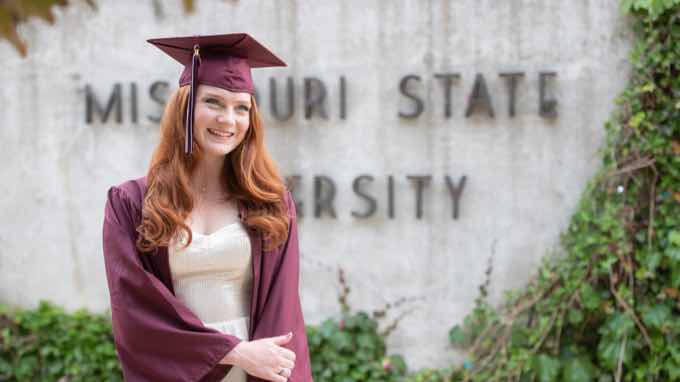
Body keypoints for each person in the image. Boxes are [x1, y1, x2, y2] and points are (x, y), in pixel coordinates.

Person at [101, 33, 313, 382]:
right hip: (178, 370)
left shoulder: (270, 202)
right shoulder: (131, 204)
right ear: (185, 107)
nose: (228, 120)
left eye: (241, 107)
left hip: (255, 371)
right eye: (213, 102)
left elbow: (283, 307)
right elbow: (134, 311)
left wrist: (262, 364)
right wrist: (235, 352)